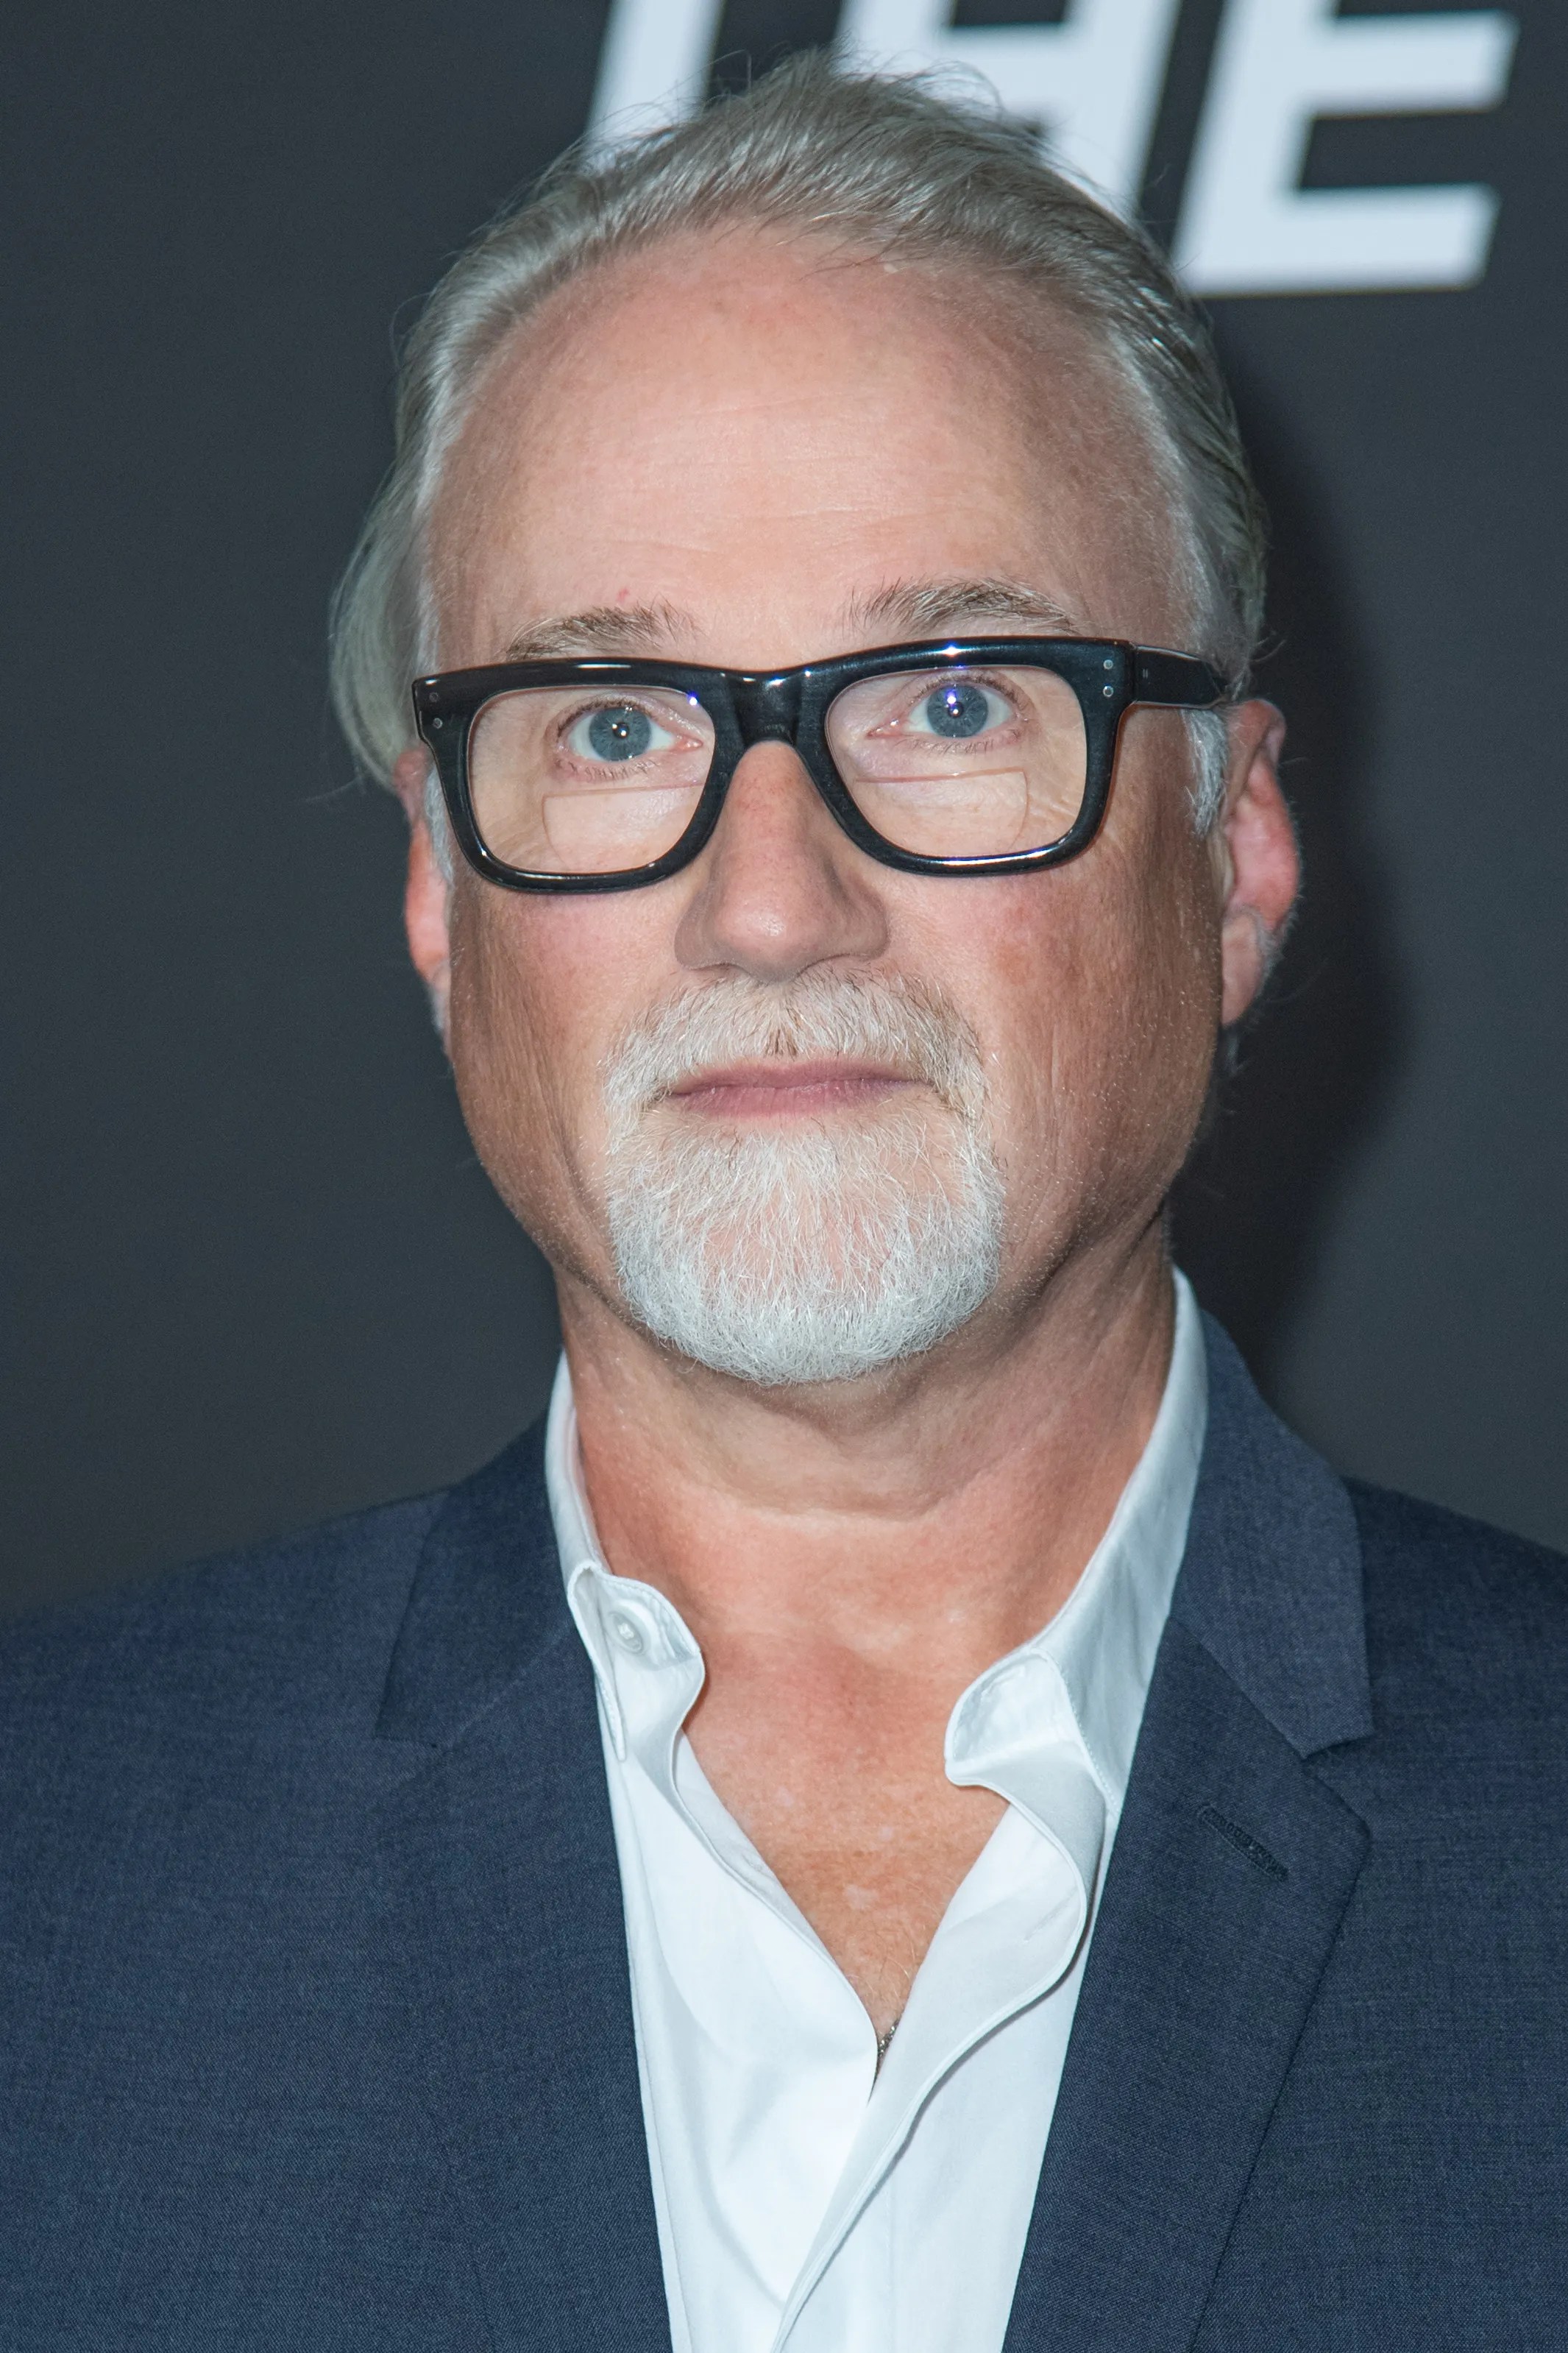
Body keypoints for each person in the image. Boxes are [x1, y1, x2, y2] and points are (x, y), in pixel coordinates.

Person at [3, 54, 1564, 2352]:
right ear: (439, 893)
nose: (767, 905)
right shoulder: (46, 1872)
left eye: (951, 699)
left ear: (1230, 858)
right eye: (611, 726)